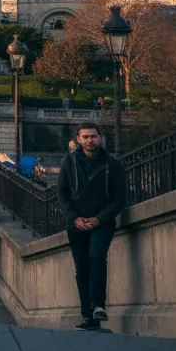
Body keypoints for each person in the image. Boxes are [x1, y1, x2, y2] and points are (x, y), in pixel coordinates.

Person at [56, 122, 129, 331]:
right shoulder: (68, 162)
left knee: (97, 257)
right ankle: (88, 316)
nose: (90, 140)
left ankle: (98, 305)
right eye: (86, 137)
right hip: (76, 223)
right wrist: (74, 218)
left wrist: (100, 219)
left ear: (101, 138)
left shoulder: (113, 164)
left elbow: (120, 198)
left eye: (94, 136)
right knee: (82, 269)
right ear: (78, 139)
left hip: (102, 222)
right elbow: (62, 193)